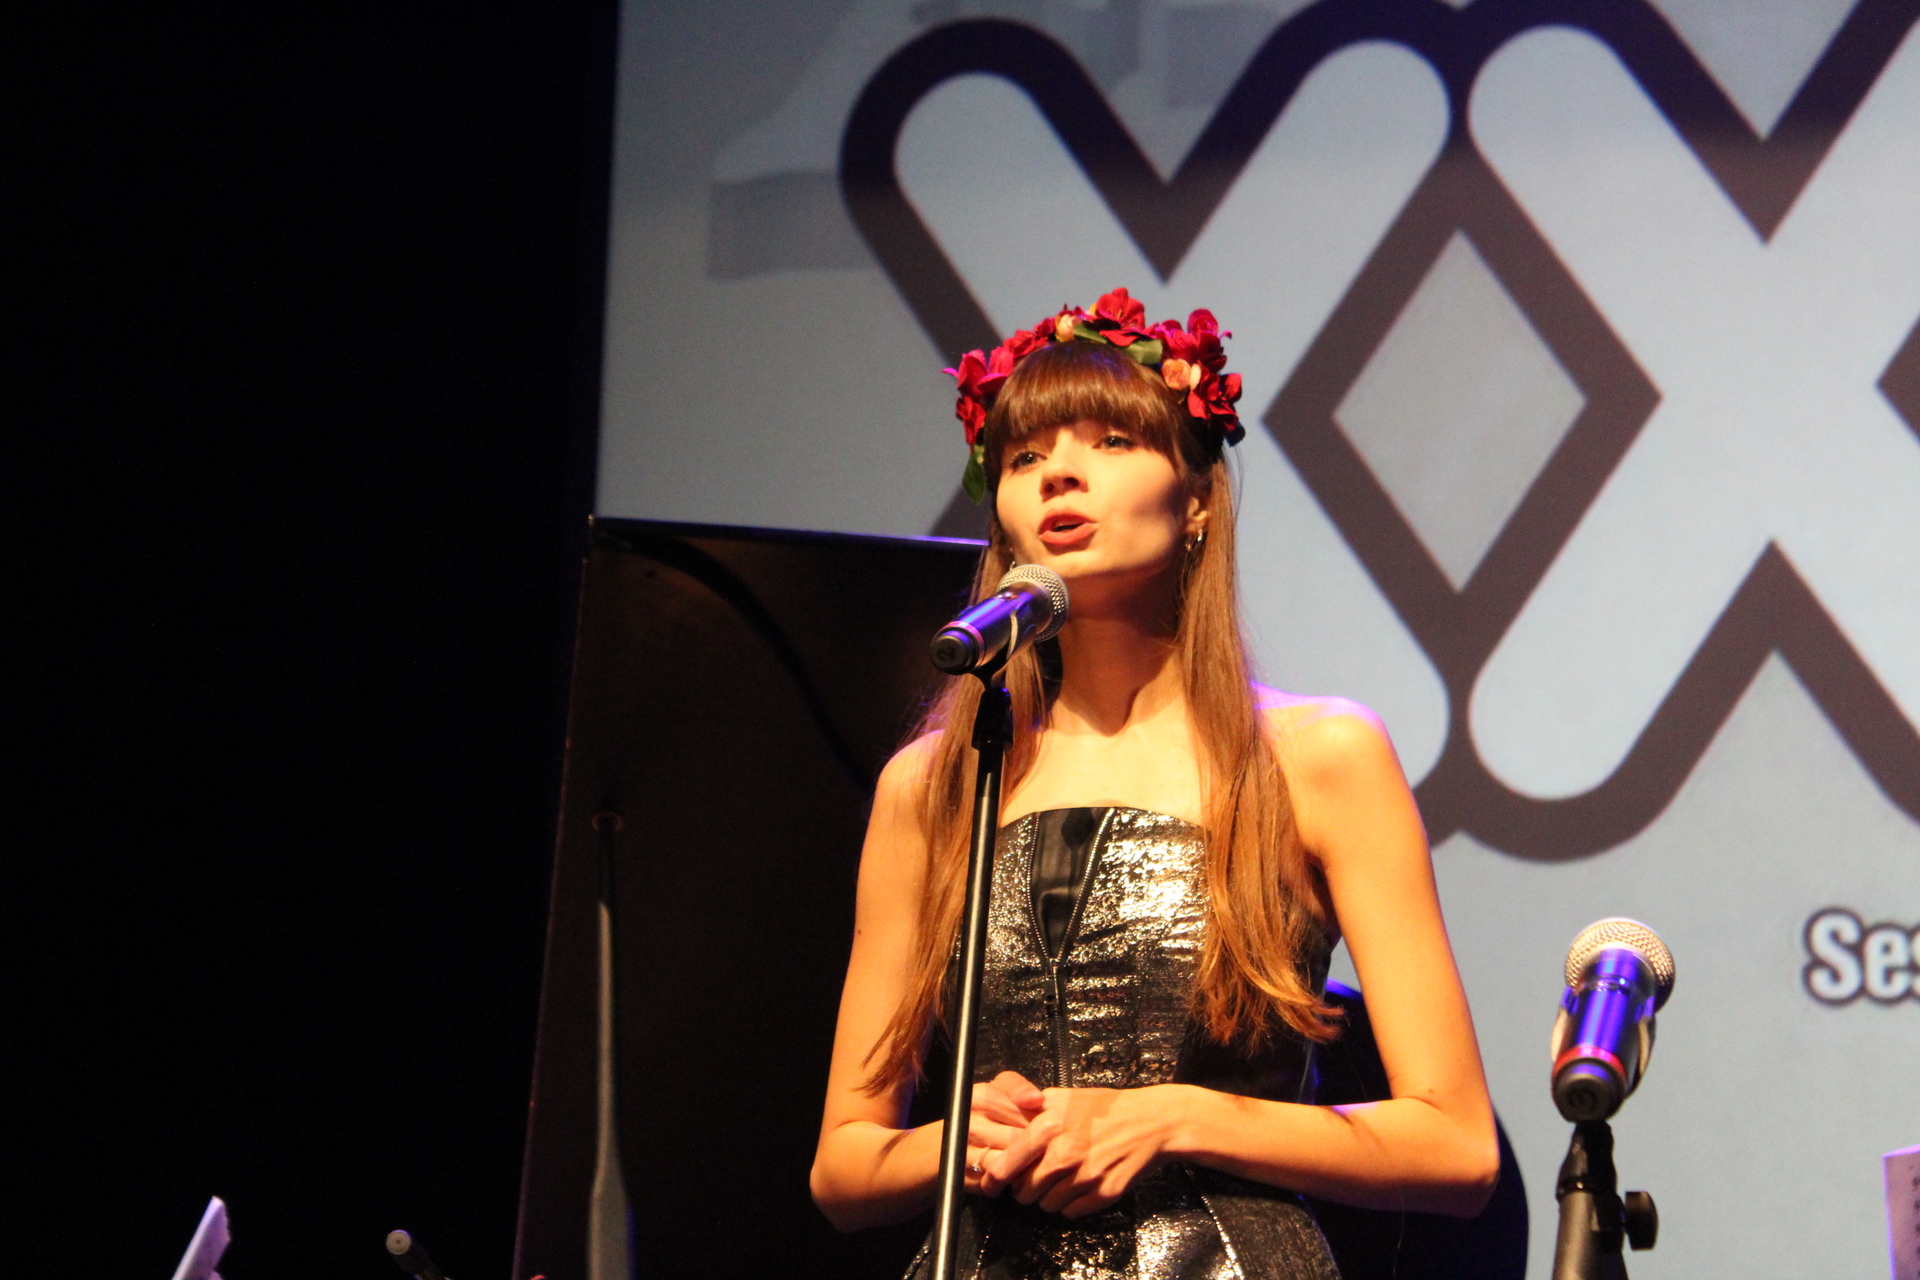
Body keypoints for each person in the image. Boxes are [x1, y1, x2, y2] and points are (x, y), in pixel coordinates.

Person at [811, 290, 1499, 1279]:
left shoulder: (1317, 756)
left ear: (1198, 500)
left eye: (1111, 441)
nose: (1061, 474)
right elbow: (845, 1164)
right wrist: (957, 1137)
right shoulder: (934, 784)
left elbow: (1456, 1143)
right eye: (1024, 458)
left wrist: (1176, 1116)